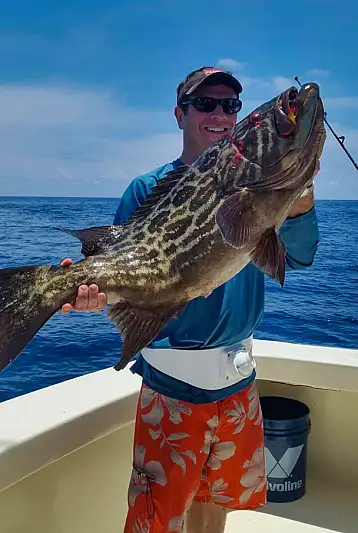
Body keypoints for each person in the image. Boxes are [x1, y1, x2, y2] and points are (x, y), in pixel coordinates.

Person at [61, 66, 320, 533]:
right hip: (173, 392)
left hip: (239, 386)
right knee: (156, 519)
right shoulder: (145, 189)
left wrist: (299, 200)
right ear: (179, 114)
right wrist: (91, 296)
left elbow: (299, 258)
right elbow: (120, 271)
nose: (220, 113)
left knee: (213, 509)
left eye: (230, 105)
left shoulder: (267, 189)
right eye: (205, 104)